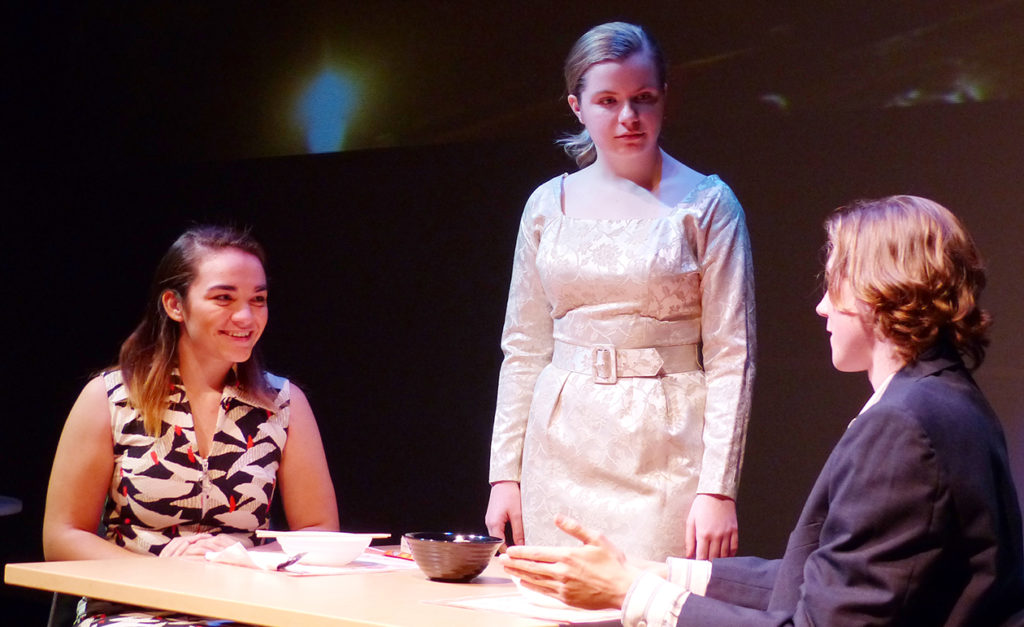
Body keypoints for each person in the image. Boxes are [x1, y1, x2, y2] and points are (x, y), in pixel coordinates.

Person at [502, 195, 1024, 626]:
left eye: (834, 283)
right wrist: (657, 572)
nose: (822, 306)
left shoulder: (906, 428)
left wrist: (634, 596)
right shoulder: (948, 399)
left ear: (877, 289)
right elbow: (823, 578)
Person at [485, 21, 755, 562]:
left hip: (664, 452)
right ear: (577, 106)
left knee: (647, 605)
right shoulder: (546, 206)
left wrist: (717, 487)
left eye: (642, 98)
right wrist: (504, 476)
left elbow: (732, 355)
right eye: (608, 100)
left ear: (663, 99)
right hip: (558, 446)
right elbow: (524, 348)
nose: (628, 117)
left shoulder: (707, 205)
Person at [43, 226, 339, 626]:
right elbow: (62, 536)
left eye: (259, 299)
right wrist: (159, 569)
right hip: (132, 608)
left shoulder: (284, 403)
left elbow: (319, 531)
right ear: (175, 305)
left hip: (242, 609)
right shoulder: (110, 397)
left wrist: (242, 559)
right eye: (223, 298)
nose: (246, 316)